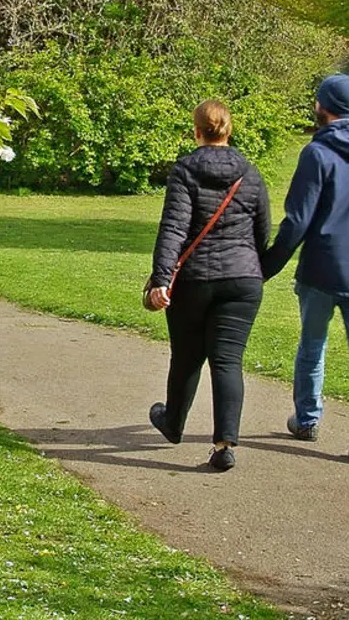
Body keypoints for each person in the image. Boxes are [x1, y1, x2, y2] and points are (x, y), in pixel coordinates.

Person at [262, 74, 349, 463]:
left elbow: (297, 219)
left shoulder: (317, 153)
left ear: (323, 107)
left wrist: (267, 265)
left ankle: (307, 419)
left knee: (312, 343)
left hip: (322, 265)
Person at [144, 100, 272, 472]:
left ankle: (173, 423)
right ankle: (224, 444)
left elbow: (174, 229)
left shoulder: (185, 170)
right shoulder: (250, 172)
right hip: (243, 279)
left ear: (196, 131)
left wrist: (161, 279)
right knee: (227, 361)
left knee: (186, 356)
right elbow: (263, 230)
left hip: (195, 280)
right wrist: (254, 268)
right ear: (228, 130)